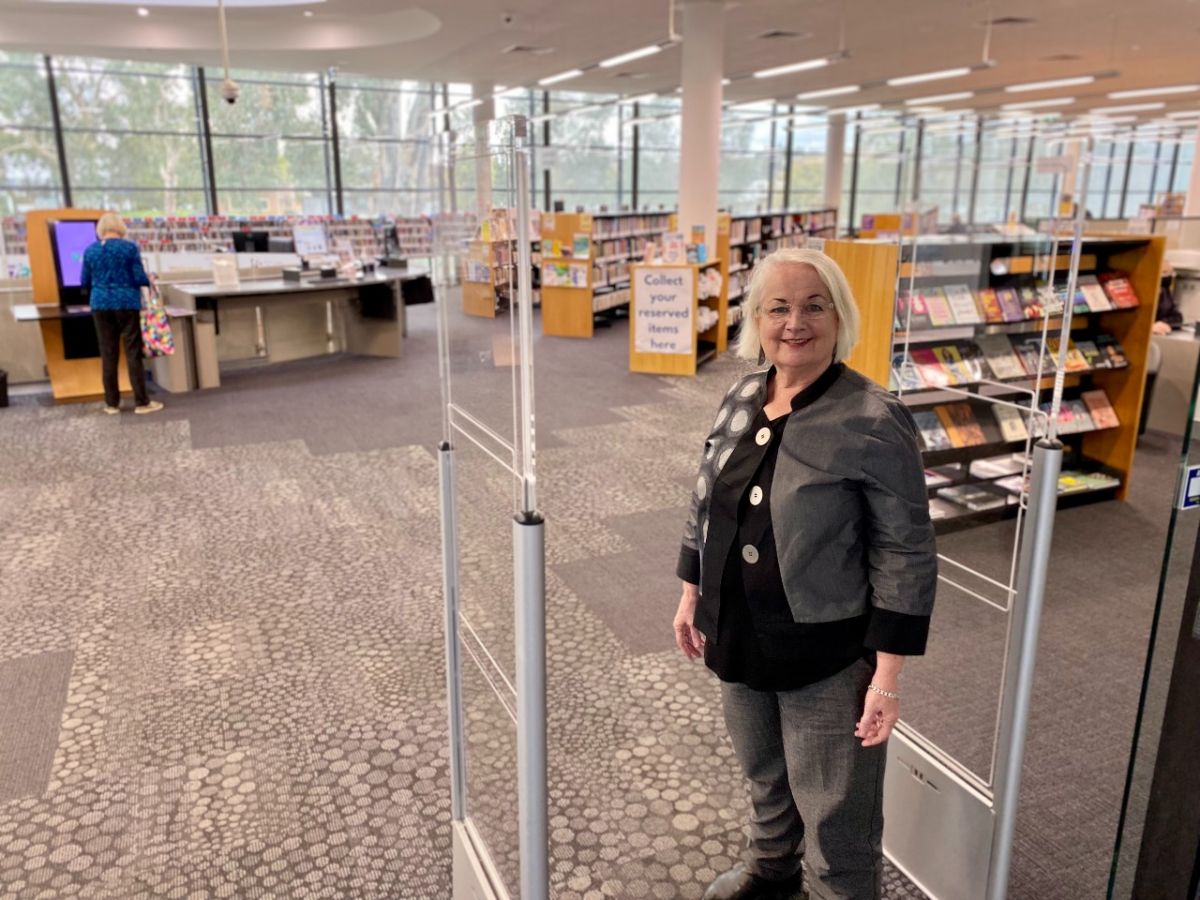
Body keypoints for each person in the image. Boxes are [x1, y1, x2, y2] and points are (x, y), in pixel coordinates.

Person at [673, 248, 937, 900]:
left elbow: (906, 551)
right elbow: (707, 502)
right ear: (756, 319)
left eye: (813, 306)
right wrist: (690, 594)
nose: (795, 322)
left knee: (836, 814)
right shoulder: (740, 395)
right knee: (765, 774)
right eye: (778, 307)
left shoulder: (873, 419)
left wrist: (888, 678)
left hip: (824, 653)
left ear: (838, 316)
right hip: (737, 633)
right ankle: (772, 873)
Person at [81, 212, 163, 414]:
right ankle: (142, 402)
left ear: (101, 229)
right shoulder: (129, 248)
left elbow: (84, 281)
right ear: (120, 227)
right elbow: (138, 277)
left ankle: (111, 403)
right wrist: (148, 278)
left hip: (100, 305)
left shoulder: (90, 250)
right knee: (133, 353)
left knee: (108, 354)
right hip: (126, 303)